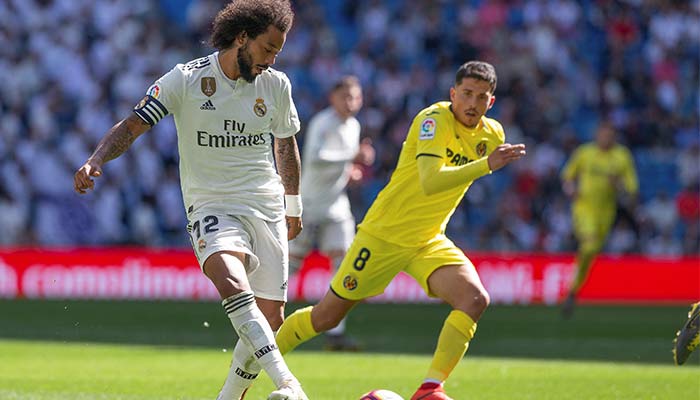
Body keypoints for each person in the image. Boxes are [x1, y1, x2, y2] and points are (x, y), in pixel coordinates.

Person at [73, 1, 309, 399]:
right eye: (268, 49)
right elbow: (133, 124)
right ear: (242, 38)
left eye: (277, 53)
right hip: (212, 205)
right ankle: (289, 385)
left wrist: (293, 205)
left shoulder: (277, 85)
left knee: (271, 318)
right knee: (230, 280)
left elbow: (285, 145)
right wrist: (96, 159)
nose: (271, 60)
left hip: (265, 205)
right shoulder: (186, 79)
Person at [276, 61, 526, 400]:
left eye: (481, 97)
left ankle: (430, 389)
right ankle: (252, 362)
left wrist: (486, 162)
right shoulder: (432, 120)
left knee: (474, 299)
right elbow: (431, 179)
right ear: (453, 94)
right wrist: (486, 165)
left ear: (491, 102)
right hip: (383, 235)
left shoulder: (491, 135)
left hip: (427, 239)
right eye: (466, 94)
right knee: (325, 317)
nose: (472, 103)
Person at [288, 75, 374, 351]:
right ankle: (264, 322)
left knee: (343, 265)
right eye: (346, 97)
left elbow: (339, 164)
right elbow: (316, 157)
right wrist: (352, 156)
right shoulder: (323, 122)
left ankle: (336, 333)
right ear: (333, 98)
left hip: (336, 204)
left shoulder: (354, 125)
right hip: (309, 203)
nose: (352, 102)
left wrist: (352, 173)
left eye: (356, 97)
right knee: (289, 266)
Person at [560, 122, 639, 318]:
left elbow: (632, 190)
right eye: (602, 135)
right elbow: (567, 176)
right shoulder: (584, 153)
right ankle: (574, 281)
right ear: (597, 135)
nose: (604, 138)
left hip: (606, 213)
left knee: (591, 252)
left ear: (614, 137)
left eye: (608, 135)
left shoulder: (622, 156)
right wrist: (570, 189)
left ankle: (572, 291)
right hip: (583, 208)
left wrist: (619, 185)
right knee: (590, 243)